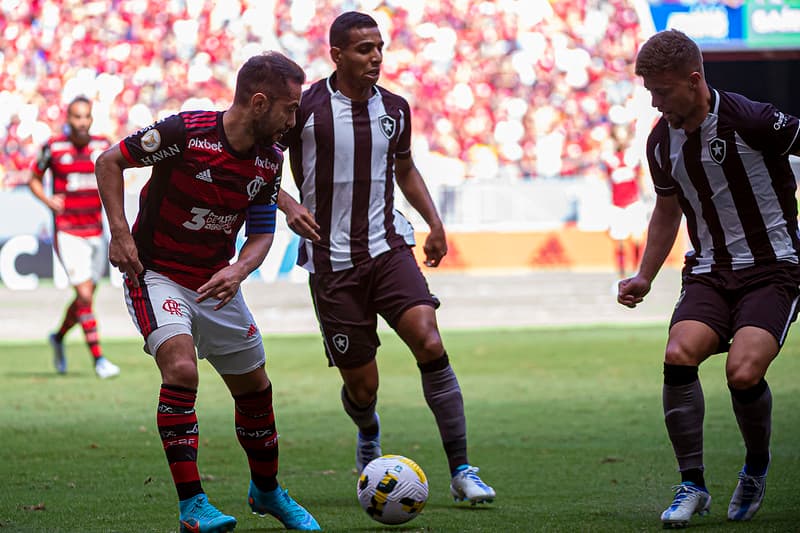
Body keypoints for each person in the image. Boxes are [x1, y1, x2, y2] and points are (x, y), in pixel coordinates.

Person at [94, 52, 320, 532]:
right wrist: (120, 233)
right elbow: (110, 161)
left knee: (256, 389)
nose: (293, 120)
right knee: (181, 368)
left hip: (216, 281)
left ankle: (267, 490)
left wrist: (239, 270)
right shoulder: (184, 133)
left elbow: (261, 234)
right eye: (289, 108)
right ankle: (193, 506)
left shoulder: (269, 160)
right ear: (259, 103)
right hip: (156, 274)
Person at [277, 11, 496, 506]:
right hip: (331, 263)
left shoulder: (394, 108)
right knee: (362, 385)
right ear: (337, 55)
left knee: (428, 338)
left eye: (379, 47)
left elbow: (405, 167)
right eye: (363, 49)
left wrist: (434, 223)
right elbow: (260, 157)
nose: (375, 56)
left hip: (387, 247)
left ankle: (462, 470)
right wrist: (289, 204)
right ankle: (368, 426)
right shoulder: (306, 107)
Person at [618, 29, 800, 527]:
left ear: (694, 81)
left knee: (742, 371)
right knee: (678, 354)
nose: (655, 103)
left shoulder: (752, 119)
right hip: (709, 272)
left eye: (662, 91)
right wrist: (644, 276)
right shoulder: (661, 142)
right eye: (650, 92)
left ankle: (756, 468)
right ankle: (692, 485)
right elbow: (666, 211)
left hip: (773, 270)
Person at [28, 96, 121, 379]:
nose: (82, 122)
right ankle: (99, 360)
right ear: (68, 119)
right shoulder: (54, 147)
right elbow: (33, 177)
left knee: (85, 300)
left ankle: (57, 337)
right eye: (76, 117)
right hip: (67, 230)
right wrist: (47, 199)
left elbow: (118, 173)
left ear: (91, 119)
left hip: (95, 230)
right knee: (83, 295)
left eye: (86, 117)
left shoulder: (102, 146)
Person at [603, 123, 648, 279]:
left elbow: (640, 177)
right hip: (617, 205)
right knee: (619, 241)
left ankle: (637, 271)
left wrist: (646, 195)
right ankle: (621, 276)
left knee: (637, 239)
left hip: (633, 203)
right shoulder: (609, 159)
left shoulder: (633, 158)